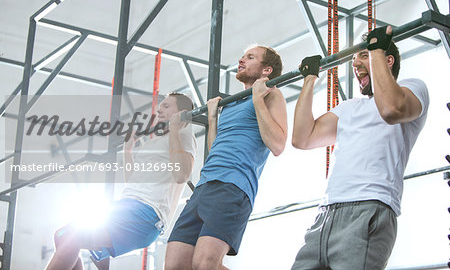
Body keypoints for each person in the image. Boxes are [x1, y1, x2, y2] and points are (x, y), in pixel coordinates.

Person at [291, 26, 429, 269]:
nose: (356, 64)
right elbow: (302, 138)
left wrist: (375, 48)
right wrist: (309, 80)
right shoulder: (349, 108)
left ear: (388, 60)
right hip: (325, 214)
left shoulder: (413, 88)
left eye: (363, 56)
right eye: (355, 60)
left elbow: (391, 110)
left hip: (369, 206)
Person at [164, 45, 288, 270]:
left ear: (266, 70)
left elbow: (278, 145)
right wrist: (213, 117)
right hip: (204, 186)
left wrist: (258, 99)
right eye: (242, 56)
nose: (241, 60)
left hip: (233, 186)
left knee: (205, 265)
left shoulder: (271, 93)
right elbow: (214, 151)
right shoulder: (231, 104)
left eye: (250, 57)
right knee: (175, 265)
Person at [46, 92, 197, 270]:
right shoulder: (155, 141)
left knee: (72, 235)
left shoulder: (182, 136)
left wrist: (175, 129)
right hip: (129, 205)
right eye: (160, 105)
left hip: (147, 214)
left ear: (182, 112)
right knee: (62, 236)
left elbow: (182, 176)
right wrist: (128, 150)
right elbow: (132, 183)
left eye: (166, 106)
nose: (159, 109)